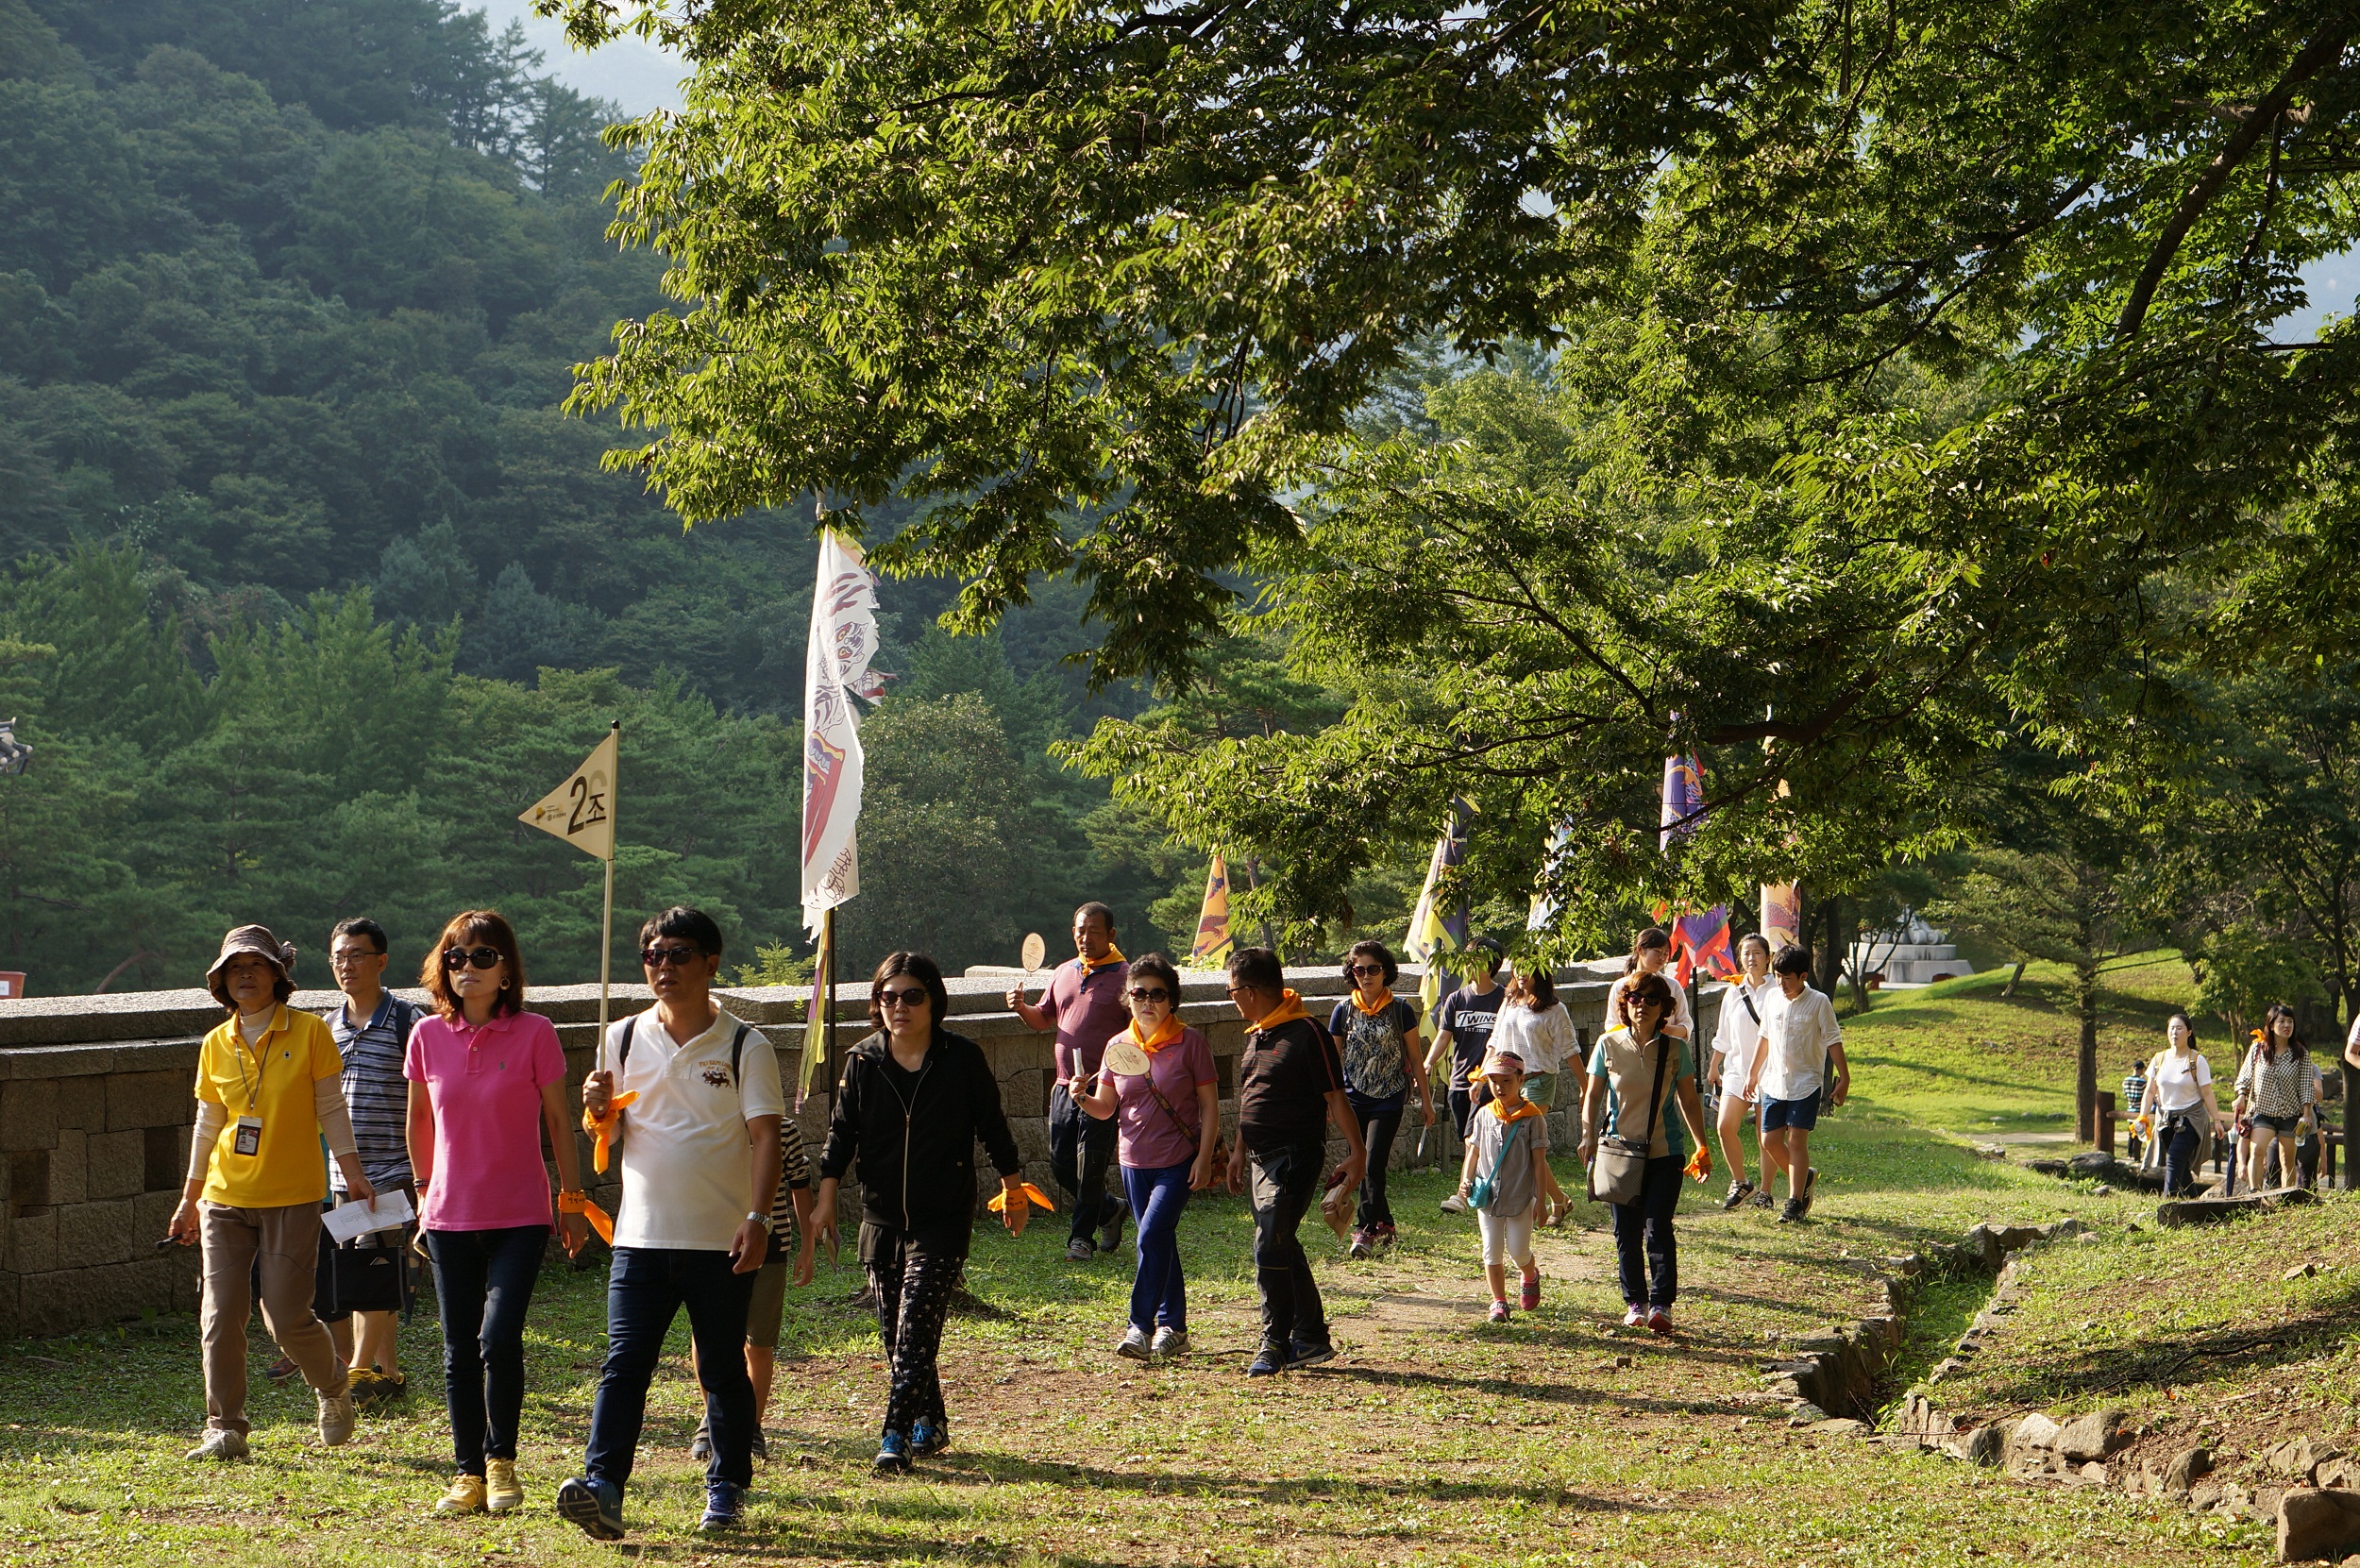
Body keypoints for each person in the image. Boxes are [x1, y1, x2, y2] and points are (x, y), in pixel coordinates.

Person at [558, 909, 785, 1541]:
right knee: (624, 1364)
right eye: (653, 955)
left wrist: (758, 1218)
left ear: (711, 962)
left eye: (679, 953)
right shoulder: (622, 1037)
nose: (664, 966)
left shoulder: (746, 1045)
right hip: (639, 1238)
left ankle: (727, 1485)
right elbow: (607, 1135)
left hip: (720, 1239)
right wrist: (595, 1111)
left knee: (721, 1368)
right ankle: (603, 1486)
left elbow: (767, 1137)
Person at [405, 910, 587, 1516]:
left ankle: (501, 1460)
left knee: (499, 1337)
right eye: (455, 957)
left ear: (506, 970)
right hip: (448, 1216)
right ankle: (467, 1473)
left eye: (483, 957)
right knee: (458, 1349)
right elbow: (419, 1120)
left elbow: (559, 1120)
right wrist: (424, 1191)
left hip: (519, 1215)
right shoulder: (426, 1036)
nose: (468, 968)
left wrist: (572, 1200)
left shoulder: (536, 1032)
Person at [817, 952, 1028, 1474]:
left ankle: (894, 1436)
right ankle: (930, 1422)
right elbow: (841, 1135)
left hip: (943, 1216)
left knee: (915, 1329)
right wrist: (825, 1199)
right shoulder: (863, 1061)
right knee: (898, 1337)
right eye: (888, 997)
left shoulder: (962, 1059)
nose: (899, 1007)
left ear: (934, 1001)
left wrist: (1014, 1190)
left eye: (912, 996)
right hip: (881, 1217)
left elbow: (993, 1127)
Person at [166, 924, 371, 1460]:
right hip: (224, 1197)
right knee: (220, 1314)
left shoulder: (309, 1032)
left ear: (277, 975)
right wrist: (190, 1199)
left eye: (255, 965)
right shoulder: (216, 1043)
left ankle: (333, 1385)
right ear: (222, 981)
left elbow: (332, 1108)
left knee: (285, 1315)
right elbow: (207, 1126)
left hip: (292, 1195)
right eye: (235, 968)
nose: (245, 975)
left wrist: (352, 1172)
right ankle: (225, 1426)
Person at [1224, 947, 1368, 1377]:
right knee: (1281, 1241)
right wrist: (1238, 1151)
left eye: (1232, 990)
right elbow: (1252, 1095)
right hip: (1257, 1160)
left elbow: (1335, 1098)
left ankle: (1274, 1342)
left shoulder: (1307, 1032)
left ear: (1250, 991)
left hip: (1295, 1156)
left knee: (1269, 1244)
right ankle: (1311, 1337)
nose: (1232, 998)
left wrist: (1357, 1153)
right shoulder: (1259, 1033)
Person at [1076, 953, 1218, 1358]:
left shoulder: (1190, 1042)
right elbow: (1106, 1107)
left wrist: (1204, 1158)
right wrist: (1081, 1096)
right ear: (1128, 997)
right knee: (1160, 1239)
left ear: (1172, 999)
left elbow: (1209, 1106)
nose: (1148, 1002)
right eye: (1139, 993)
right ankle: (1175, 1328)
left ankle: (1139, 1326)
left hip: (1177, 1160)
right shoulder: (1117, 1046)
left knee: (1151, 1235)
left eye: (1158, 994)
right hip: (1133, 1162)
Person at [322, 917, 421, 1408]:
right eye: (339, 957)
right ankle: (390, 1375)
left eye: (357, 955)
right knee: (369, 1273)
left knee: (373, 1264)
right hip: (344, 1174)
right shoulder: (327, 1027)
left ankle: (358, 1372)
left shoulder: (408, 1021)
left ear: (381, 961)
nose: (347, 965)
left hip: (395, 1170)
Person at [1578, 971, 1711, 1334]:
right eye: (1636, 998)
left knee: (1657, 1227)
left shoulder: (1675, 1049)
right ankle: (1635, 1303)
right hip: (1619, 1153)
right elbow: (1592, 1095)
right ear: (1626, 1003)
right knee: (1626, 1231)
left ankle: (1662, 1304)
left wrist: (1701, 1145)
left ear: (1664, 1007)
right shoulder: (1608, 1044)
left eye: (1653, 999)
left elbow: (1689, 1100)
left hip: (1666, 1153)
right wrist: (1587, 1136)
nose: (1643, 1005)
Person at [689, 1112, 815, 1464]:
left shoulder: (783, 1129)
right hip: (712, 1244)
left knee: (758, 1342)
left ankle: (751, 1426)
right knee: (707, 1335)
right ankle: (712, 1420)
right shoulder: (710, 1119)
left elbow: (800, 1185)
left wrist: (808, 1247)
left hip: (770, 1248)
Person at [1008, 902, 1131, 1261]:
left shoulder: (1126, 977)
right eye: (1080, 931)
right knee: (1061, 1164)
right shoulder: (1063, 972)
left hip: (1103, 1087)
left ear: (1111, 935)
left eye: (1095, 932)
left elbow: (1138, 1031)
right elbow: (1043, 1019)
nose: (1086, 938)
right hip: (1064, 1086)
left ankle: (1081, 1239)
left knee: (1090, 1165)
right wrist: (1021, 1007)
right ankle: (1111, 1209)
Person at [1324, 941, 1430, 1256]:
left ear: (1386, 972)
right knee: (1361, 1165)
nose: (1366, 976)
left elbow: (1416, 1058)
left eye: (1373, 969)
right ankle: (1385, 1223)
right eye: (1359, 970)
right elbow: (1332, 1061)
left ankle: (1365, 1230)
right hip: (1352, 1100)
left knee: (1372, 1163)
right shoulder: (1343, 1010)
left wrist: (1426, 1101)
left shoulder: (1401, 1010)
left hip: (1388, 1098)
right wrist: (1329, 1101)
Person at [1743, 944, 1848, 1223]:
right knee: (1769, 1140)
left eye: (1787, 978)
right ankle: (1804, 1178)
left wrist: (1844, 1077)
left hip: (1806, 1083)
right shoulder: (1772, 998)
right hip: (1774, 1081)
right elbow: (1764, 1037)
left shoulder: (1819, 1002)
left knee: (1796, 1139)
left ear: (1803, 976)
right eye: (1777, 976)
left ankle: (1794, 1203)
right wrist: (1753, 1073)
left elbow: (1833, 1040)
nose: (1781, 983)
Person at [1456, 1050, 1550, 1324]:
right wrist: (1465, 1180)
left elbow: (1539, 1163)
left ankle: (1530, 1274)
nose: (1499, 1087)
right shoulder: (1484, 1115)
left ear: (1521, 1080)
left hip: (1520, 1197)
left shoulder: (1533, 1118)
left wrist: (1541, 1200)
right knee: (1491, 1251)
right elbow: (1473, 1152)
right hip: (1488, 1197)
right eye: (1494, 1081)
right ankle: (1499, 1302)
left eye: (1506, 1081)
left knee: (1518, 1251)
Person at [1424, 937, 1505, 1213]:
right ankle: (1486, 1187)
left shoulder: (1503, 999)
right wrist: (1428, 1062)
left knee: (1473, 1137)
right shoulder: (1456, 999)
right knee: (1468, 1139)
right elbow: (1443, 1035)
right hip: (1458, 1081)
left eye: (1478, 959)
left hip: (1488, 1081)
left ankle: (1463, 1194)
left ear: (1492, 964)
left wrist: (1487, 1076)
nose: (1471, 965)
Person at [1492, 965, 1576, 1222]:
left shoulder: (1555, 1010)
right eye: (1517, 966)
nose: (1521, 972)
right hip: (1507, 1081)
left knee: (1526, 1141)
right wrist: (1482, 1076)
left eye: (1528, 967)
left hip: (1538, 1080)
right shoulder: (1509, 1002)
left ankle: (1553, 1200)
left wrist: (1586, 1087)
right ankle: (1559, 1199)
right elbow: (1495, 1040)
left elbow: (1571, 1050)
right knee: (1522, 1144)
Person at [1705, 934, 1778, 1211]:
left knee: (1765, 1135)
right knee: (1724, 1126)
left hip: (1770, 1071)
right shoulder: (1733, 992)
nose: (1751, 958)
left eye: (1757, 953)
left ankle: (1766, 1192)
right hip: (1736, 1071)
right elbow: (1723, 1033)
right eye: (1746, 953)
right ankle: (1741, 1182)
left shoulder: (1777, 990)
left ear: (1768, 957)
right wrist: (1714, 1065)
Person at [2234, 1003, 2315, 1193]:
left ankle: (2286, 1198)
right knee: (2257, 1150)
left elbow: (2306, 1085)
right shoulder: (2258, 1049)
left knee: (2287, 1160)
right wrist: (2241, 1096)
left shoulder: (2300, 1053)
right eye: (2282, 1021)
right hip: (2263, 1111)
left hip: (2290, 1114)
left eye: (2290, 1021)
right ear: (2271, 1025)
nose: (2287, 1025)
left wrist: (2307, 1114)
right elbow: (2245, 1077)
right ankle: (2255, 1194)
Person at [2146, 1012, 2223, 1197]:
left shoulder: (2197, 1060)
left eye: (2179, 1028)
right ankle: (2194, 1201)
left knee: (2174, 1158)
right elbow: (2150, 1091)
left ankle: (2167, 1202)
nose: (2174, 1032)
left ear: (2189, 1032)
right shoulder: (2159, 1059)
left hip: (2191, 1118)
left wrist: (2217, 1120)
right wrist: (2142, 1116)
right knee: (2181, 1164)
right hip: (2166, 1119)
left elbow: (2207, 1093)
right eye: (2171, 1028)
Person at [1604, 928, 1695, 1041]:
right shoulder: (1620, 986)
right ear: (1640, 950)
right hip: (1628, 1049)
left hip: (1664, 1049)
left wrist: (1661, 1030)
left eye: (1666, 953)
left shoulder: (1672, 986)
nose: (1662, 957)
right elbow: (1611, 1025)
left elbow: (1685, 1026)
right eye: (1657, 951)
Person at [2120, 1053, 2150, 1162]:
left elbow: (2125, 1093)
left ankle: (2129, 1153)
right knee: (2139, 1134)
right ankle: (2136, 1156)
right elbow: (2146, 1095)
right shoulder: (2143, 1082)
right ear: (2142, 1070)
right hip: (2139, 1110)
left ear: (2133, 1068)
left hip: (2130, 1109)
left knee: (2131, 1133)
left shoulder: (2126, 1081)